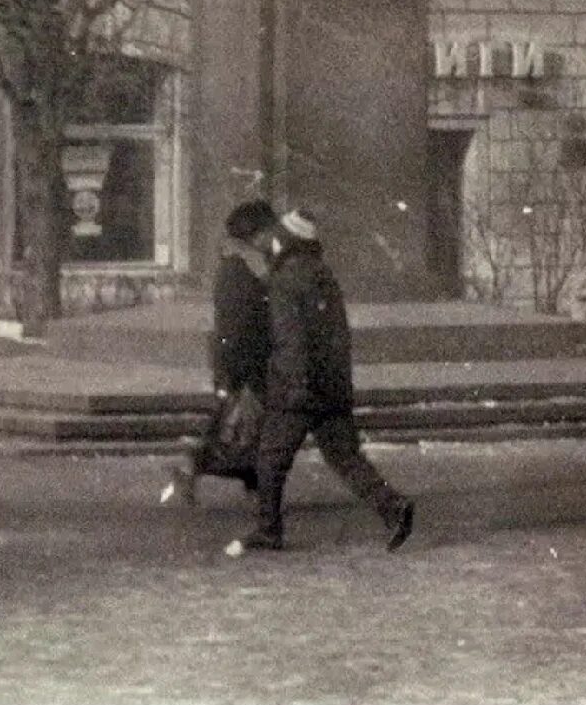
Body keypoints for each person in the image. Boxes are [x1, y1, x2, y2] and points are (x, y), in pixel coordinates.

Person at [238, 210, 415, 555]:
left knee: (270, 459)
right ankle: (392, 507)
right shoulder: (324, 276)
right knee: (345, 457)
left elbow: (291, 340)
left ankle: (268, 530)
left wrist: (292, 386)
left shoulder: (285, 280)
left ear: (285, 242)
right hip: (332, 385)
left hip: (299, 388)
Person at [164, 200, 278, 506]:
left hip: (244, 357)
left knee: (245, 426)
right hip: (245, 359)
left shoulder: (245, 265)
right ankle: (194, 466)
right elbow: (238, 324)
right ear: (255, 234)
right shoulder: (240, 269)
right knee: (246, 427)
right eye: (269, 231)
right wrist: (241, 368)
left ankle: (251, 484)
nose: (273, 237)